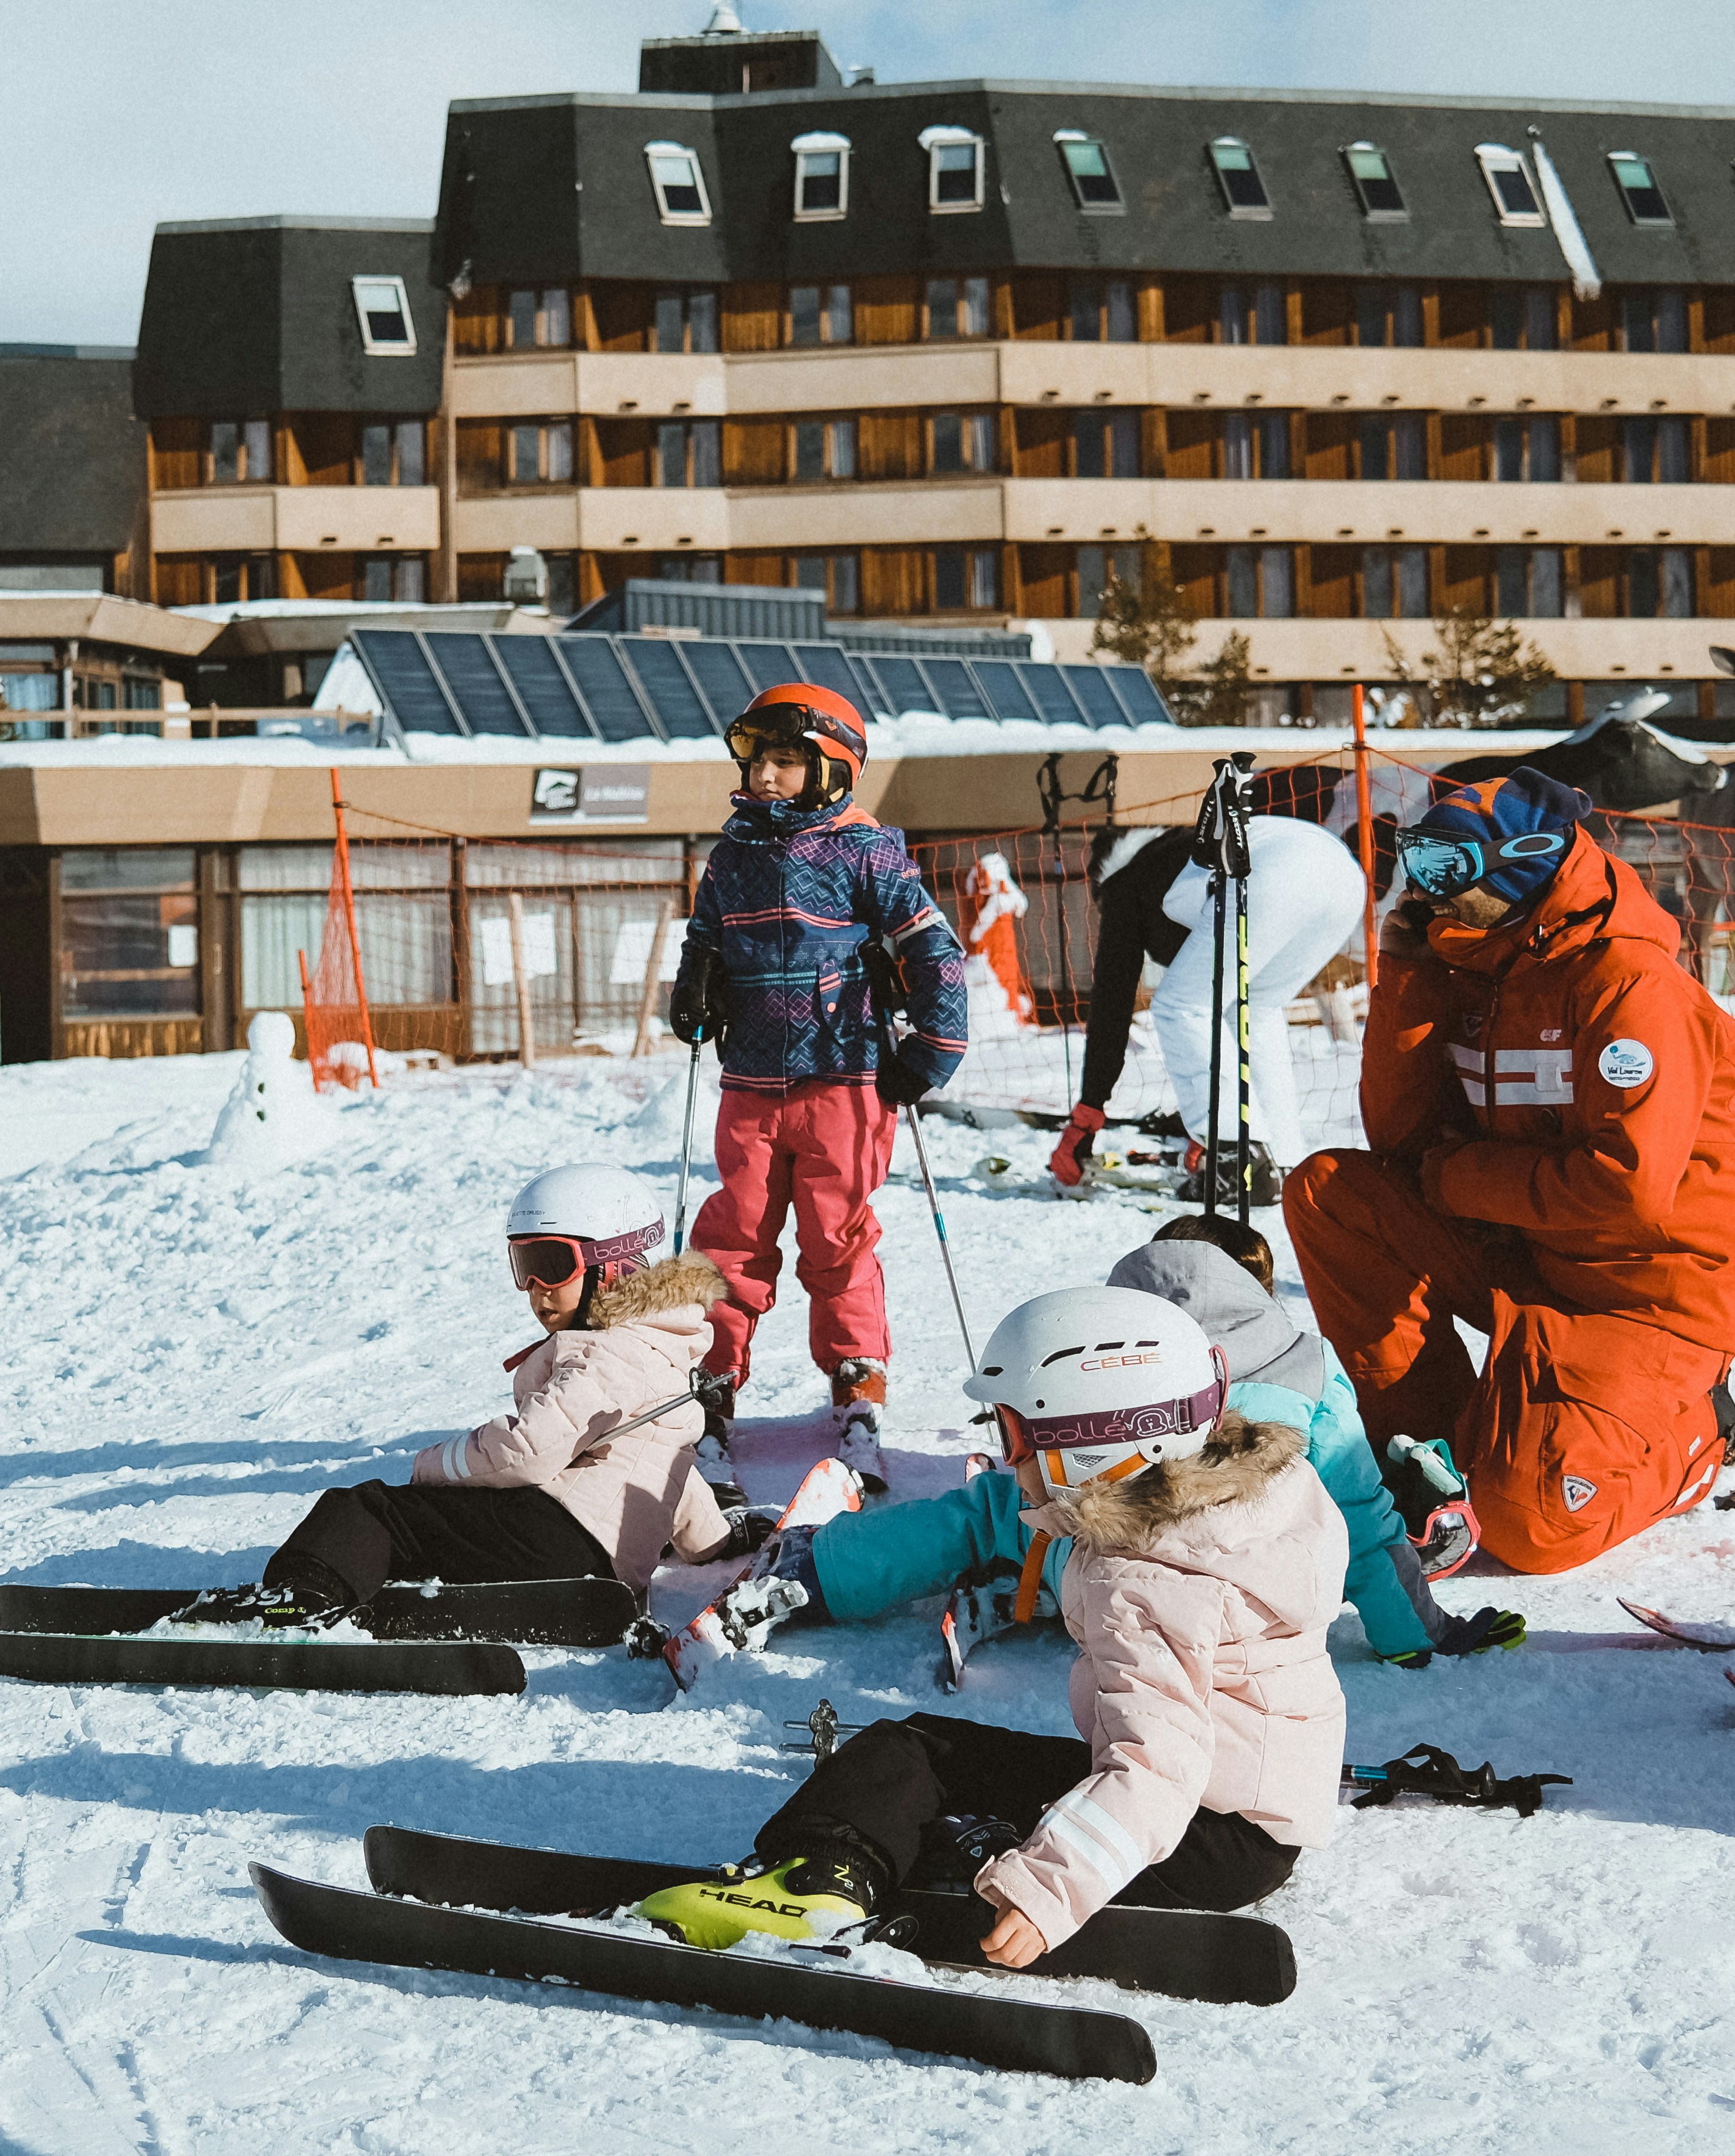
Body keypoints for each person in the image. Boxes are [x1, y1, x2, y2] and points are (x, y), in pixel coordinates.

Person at [632, 1287, 1347, 1957]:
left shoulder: (1148, 1582)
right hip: (1239, 1826)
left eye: (1016, 1436)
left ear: (1090, 1443)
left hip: (1198, 1838)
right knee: (936, 1759)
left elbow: (1156, 1767)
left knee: (906, 1756)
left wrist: (1046, 1894)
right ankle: (959, 1844)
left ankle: (821, 1887)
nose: (1008, 1460)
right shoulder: (1241, 1508)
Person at [711, 1212, 1520, 1668]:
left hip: (1088, 1553)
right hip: (1222, 1607)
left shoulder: (1110, 1362)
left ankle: (823, 1568)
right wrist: (1419, 1640)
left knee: (990, 1511)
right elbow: (1367, 1527)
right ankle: (1034, 1593)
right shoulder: (1308, 1372)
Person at [1287, 767, 1735, 1575]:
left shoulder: (1629, 986)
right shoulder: (1467, 967)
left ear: (1521, 865)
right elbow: (1399, 1145)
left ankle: (1703, 1429)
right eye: (1415, 863)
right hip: (1527, 1252)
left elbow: (1625, 1190)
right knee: (1331, 1192)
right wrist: (1407, 979)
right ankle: (1426, 1455)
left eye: (1444, 869)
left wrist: (1459, 1179)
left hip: (1646, 1296)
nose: (1420, 891)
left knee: (1528, 1528)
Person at [186, 1165, 773, 1625]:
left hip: (556, 1538)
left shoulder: (607, 1352)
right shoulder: (659, 1351)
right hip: (592, 1562)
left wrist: (434, 1465)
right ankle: (372, 1582)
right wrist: (719, 1540)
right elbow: (672, 1474)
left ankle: (302, 1597)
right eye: (524, 1264)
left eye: (552, 1264)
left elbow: (528, 1450)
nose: (536, 1289)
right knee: (431, 1532)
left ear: (614, 1267)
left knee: (369, 1509)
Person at [669, 682, 967, 1477]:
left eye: (786, 761)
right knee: (731, 1237)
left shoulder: (864, 851)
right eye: (757, 759)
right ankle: (708, 1379)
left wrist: (932, 1047)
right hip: (751, 1082)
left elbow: (932, 948)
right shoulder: (731, 856)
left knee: (836, 1238)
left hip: (845, 1077)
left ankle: (856, 1377)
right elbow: (704, 935)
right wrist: (695, 980)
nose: (765, 775)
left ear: (832, 768)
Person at [1050, 817, 1366, 1202]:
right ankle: (1280, 1160)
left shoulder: (1125, 884)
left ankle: (1236, 1157)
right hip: (1342, 874)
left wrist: (1086, 1115)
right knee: (1252, 1008)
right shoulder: (1174, 857)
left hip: (1273, 871)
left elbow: (1111, 1005)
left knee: (1178, 1006)